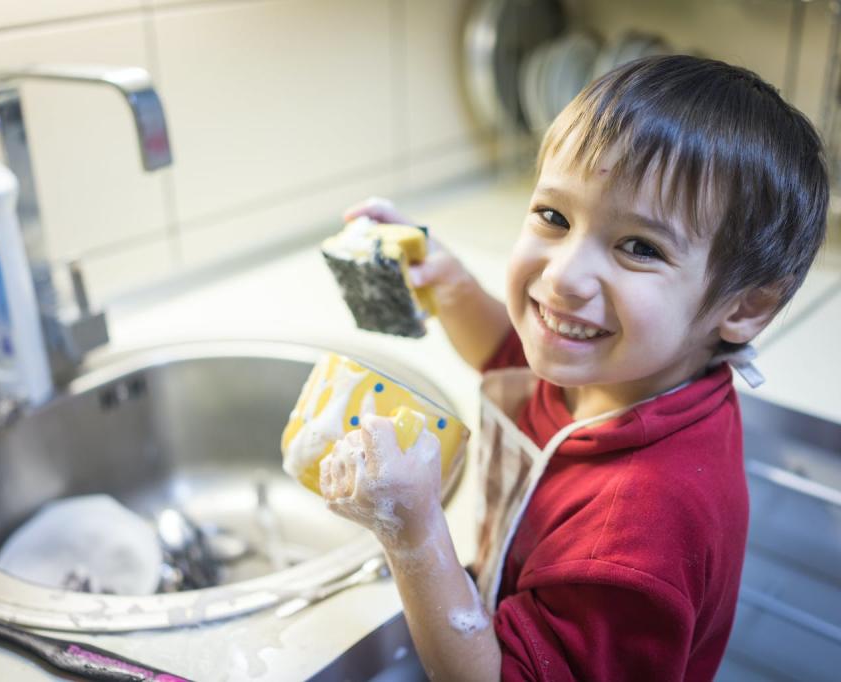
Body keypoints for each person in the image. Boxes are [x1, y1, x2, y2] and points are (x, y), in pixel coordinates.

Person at [317, 54, 828, 681]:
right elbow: (512, 357)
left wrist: (414, 532)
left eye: (639, 247)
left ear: (745, 307)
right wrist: (447, 283)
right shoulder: (625, 369)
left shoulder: (638, 535)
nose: (561, 277)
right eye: (554, 217)